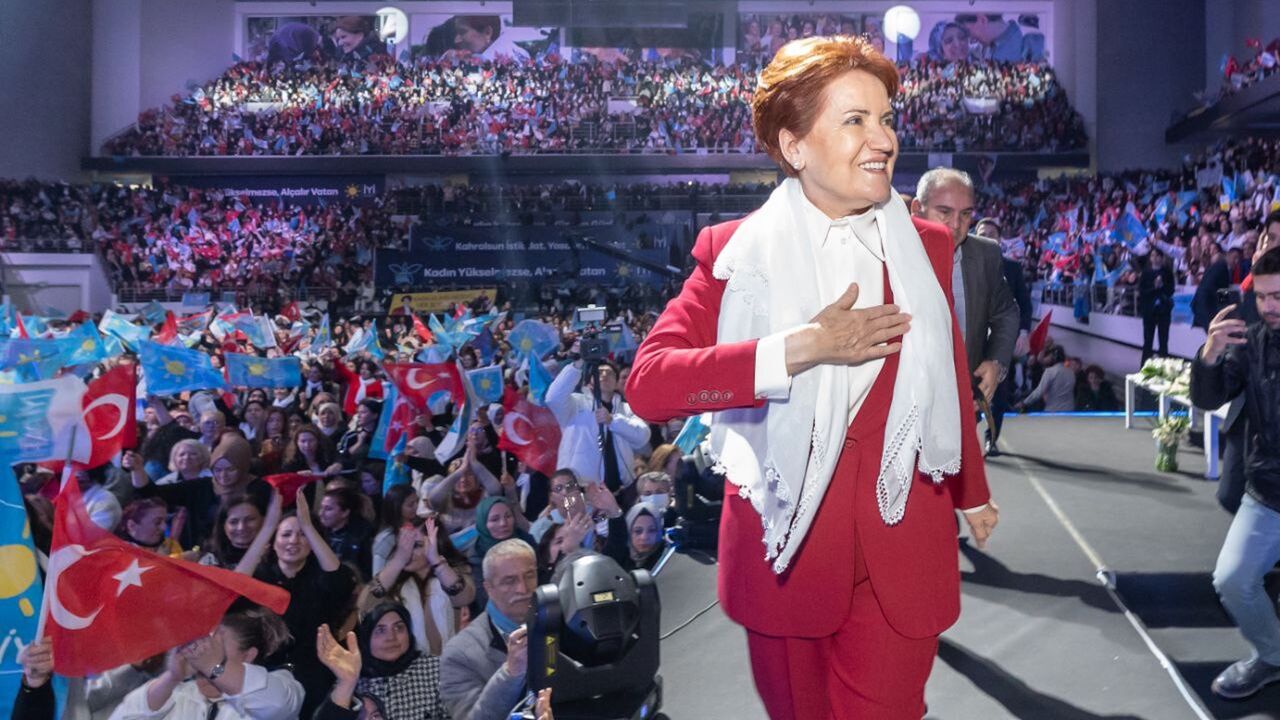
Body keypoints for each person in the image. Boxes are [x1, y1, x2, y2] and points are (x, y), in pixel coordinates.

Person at [625, 36, 996, 718]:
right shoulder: (732, 252)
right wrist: (797, 350)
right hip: (783, 556)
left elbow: (944, 373)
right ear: (794, 146)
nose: (882, 138)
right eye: (854, 119)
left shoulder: (931, 246)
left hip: (902, 543)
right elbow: (650, 384)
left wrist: (972, 490)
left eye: (885, 118)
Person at [1191, 247, 1280, 700]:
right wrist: (1210, 353)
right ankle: (1272, 656)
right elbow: (1210, 398)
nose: (1269, 306)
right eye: (1263, 297)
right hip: (1268, 490)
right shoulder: (1252, 341)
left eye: (1279, 296)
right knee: (1232, 580)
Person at [911, 169, 1019, 410]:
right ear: (917, 209)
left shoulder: (986, 254)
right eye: (945, 212)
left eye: (966, 214)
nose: (956, 225)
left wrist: (995, 363)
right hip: (903, 405)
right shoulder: (890, 254)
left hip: (963, 405)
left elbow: (1006, 313)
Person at [111, 607, 303, 719]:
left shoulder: (282, 684)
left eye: (215, 645)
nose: (201, 651)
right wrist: (171, 678)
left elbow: (276, 704)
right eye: (201, 642)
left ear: (248, 655)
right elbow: (126, 714)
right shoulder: (181, 693)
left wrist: (215, 666)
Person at [439, 539, 537, 720]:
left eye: (529, 575)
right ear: (488, 588)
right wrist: (510, 673)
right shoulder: (459, 654)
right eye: (510, 581)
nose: (523, 589)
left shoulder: (561, 623)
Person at [546, 358, 650, 502]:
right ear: (589, 382)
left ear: (616, 383)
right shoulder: (576, 404)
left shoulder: (626, 409)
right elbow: (553, 398)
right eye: (599, 372)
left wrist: (613, 421)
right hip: (583, 492)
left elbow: (643, 436)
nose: (605, 375)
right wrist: (578, 363)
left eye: (610, 373)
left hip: (622, 490)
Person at [1138, 248, 1176, 363]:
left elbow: (1171, 290)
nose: (1154, 258)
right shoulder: (1146, 272)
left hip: (1164, 311)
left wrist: (1162, 285)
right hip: (1149, 311)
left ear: (1161, 257)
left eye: (1157, 255)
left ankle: (1163, 368)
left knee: (1163, 342)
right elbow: (1142, 292)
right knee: (1148, 342)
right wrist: (1154, 287)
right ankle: (1144, 368)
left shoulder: (1167, 272)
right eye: (1152, 256)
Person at [1015, 345, 1075, 412]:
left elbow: (1039, 392)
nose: (1046, 358)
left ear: (1053, 357)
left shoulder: (1050, 371)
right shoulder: (1071, 372)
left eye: (1048, 356)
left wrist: (1024, 403)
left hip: (1053, 410)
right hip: (1069, 409)